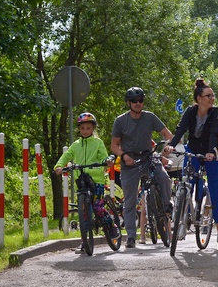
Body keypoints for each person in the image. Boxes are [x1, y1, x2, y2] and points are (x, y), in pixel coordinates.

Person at [168, 78, 218, 250]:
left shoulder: (216, 112)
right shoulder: (190, 111)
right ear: (199, 98)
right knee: (187, 184)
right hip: (194, 151)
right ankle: (182, 222)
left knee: (217, 193)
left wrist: (210, 152)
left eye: (213, 95)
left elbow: (214, 133)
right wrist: (171, 145)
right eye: (208, 96)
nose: (212, 98)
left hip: (214, 153)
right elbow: (181, 129)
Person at [110, 87, 174, 249]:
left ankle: (167, 206)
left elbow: (168, 135)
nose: (138, 104)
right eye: (134, 101)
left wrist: (167, 146)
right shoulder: (121, 121)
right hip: (130, 162)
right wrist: (124, 155)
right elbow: (114, 145)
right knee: (130, 201)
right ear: (128, 103)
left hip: (148, 157)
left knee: (164, 177)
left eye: (140, 101)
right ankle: (131, 236)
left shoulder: (150, 117)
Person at [55, 112, 116, 253]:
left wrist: (107, 162)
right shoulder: (75, 145)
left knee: (98, 207)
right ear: (79, 129)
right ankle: (84, 242)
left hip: (97, 180)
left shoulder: (98, 142)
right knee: (83, 213)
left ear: (93, 128)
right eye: (82, 129)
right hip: (81, 180)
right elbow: (67, 155)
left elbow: (104, 157)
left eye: (88, 128)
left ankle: (112, 227)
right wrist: (59, 166)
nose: (85, 131)